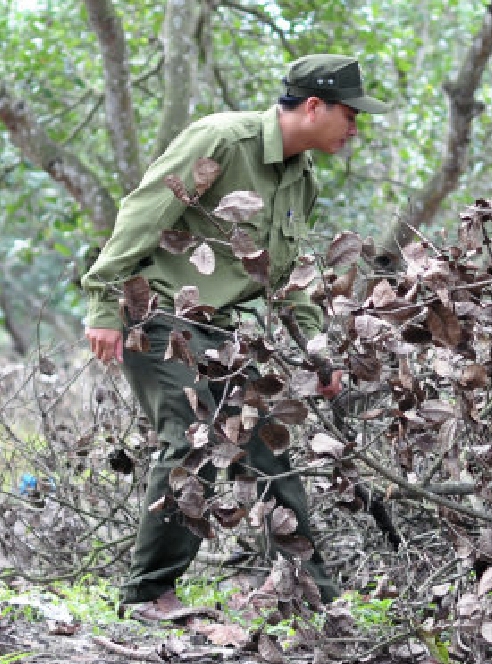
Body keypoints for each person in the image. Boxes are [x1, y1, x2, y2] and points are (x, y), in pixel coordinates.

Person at [81, 54, 388, 620]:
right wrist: (103, 301)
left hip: (214, 329)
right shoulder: (223, 139)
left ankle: (308, 589)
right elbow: (142, 213)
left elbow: (286, 279)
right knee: (191, 439)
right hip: (155, 313)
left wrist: (317, 352)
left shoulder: (301, 181)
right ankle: (148, 594)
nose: (355, 128)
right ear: (314, 106)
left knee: (265, 439)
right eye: (350, 114)